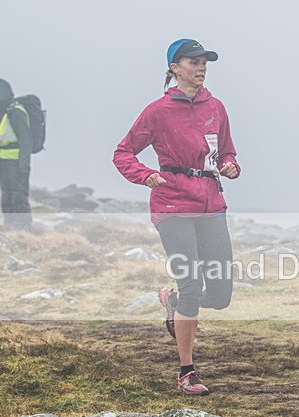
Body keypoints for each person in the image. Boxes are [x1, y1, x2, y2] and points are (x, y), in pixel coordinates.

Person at [113, 39, 241, 396]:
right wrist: (145, 174)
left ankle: (170, 303)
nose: (200, 67)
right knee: (191, 286)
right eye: (193, 61)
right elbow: (122, 152)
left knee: (219, 294)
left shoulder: (215, 107)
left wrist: (230, 165)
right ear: (174, 68)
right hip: (172, 205)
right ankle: (187, 371)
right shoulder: (157, 111)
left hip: (211, 204)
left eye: (204, 62)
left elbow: (227, 150)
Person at [0, 79, 33, 230]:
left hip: (17, 162)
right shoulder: (3, 111)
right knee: (6, 196)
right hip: (4, 161)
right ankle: (10, 228)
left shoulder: (16, 112)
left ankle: (24, 230)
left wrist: (24, 165)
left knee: (18, 196)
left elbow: (26, 141)